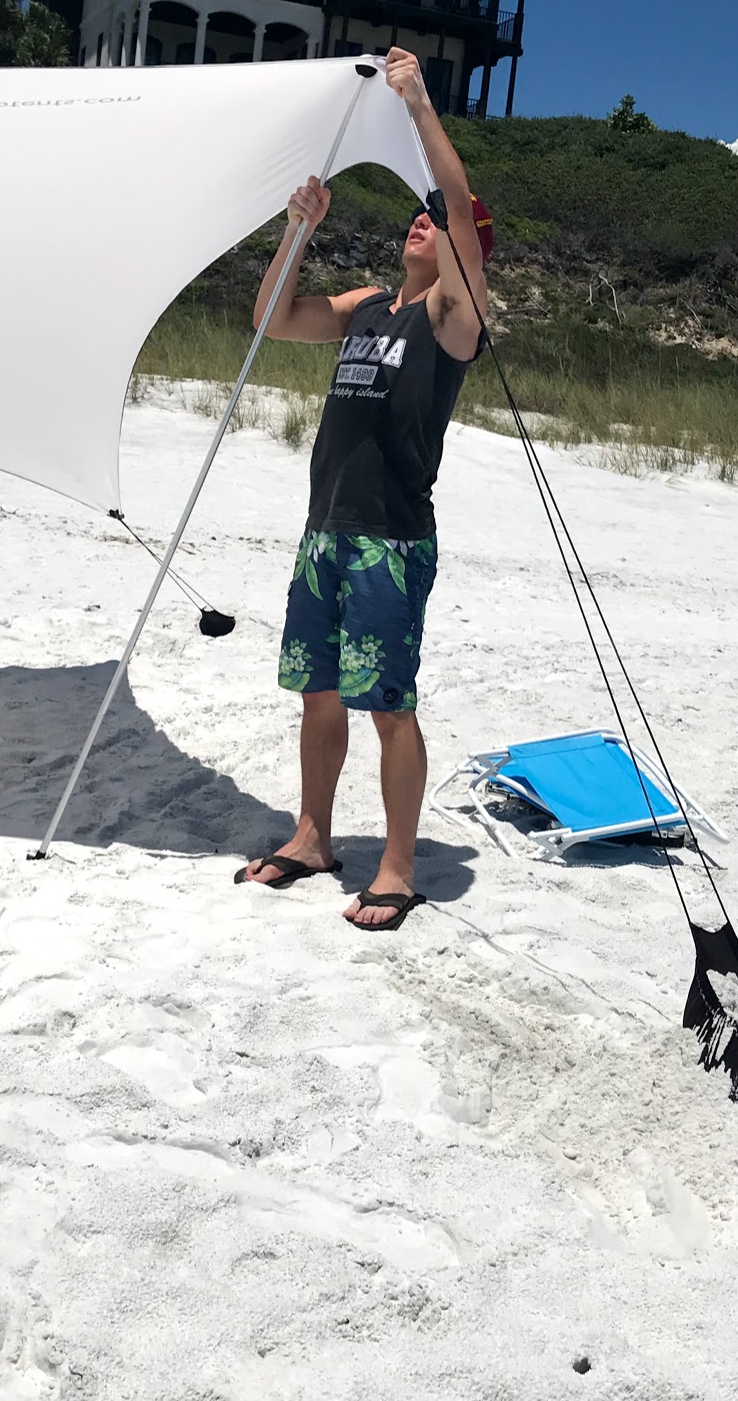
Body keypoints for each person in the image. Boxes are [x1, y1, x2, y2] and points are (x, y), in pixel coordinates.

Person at [235, 46, 494, 931]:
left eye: (439, 228)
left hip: (390, 535)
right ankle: (311, 836)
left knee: (387, 703)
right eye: (416, 221)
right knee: (316, 693)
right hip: (326, 530)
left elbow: (455, 207)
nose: (421, 224)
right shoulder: (369, 302)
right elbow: (271, 319)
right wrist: (298, 227)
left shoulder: (449, 320)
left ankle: (395, 867)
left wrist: (418, 104)